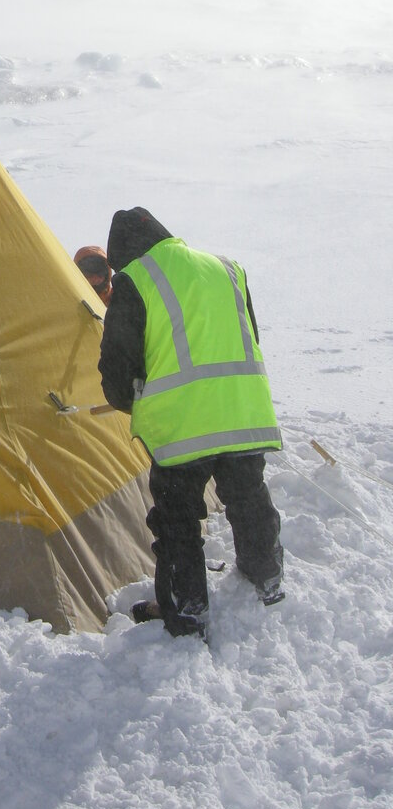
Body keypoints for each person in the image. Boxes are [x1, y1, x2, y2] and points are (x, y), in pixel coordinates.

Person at [98, 207, 283, 640]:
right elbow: (246, 335)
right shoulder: (227, 268)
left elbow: (119, 369)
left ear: (123, 254)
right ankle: (266, 578)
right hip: (244, 411)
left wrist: (129, 400)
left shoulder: (135, 280)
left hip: (184, 426)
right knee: (249, 499)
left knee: (178, 520)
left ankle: (184, 609)